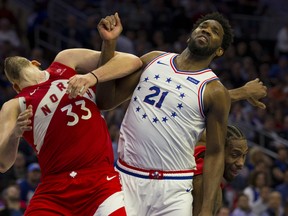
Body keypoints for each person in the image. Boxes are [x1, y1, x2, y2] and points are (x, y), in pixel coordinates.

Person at [86, 12, 267, 216]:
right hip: (125, 179)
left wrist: (206, 210)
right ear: (190, 36)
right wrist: (109, 45)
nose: (207, 29)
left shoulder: (215, 91)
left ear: (219, 51)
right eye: (203, 26)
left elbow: (215, 153)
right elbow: (105, 101)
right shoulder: (153, 60)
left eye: (215, 31)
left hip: (173, 190)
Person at [0, 13, 142, 215]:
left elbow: (132, 61)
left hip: (100, 182)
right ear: (15, 87)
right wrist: (15, 134)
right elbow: (3, 164)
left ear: (35, 62)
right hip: (54, 191)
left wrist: (92, 77)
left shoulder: (65, 61)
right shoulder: (14, 105)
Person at [192, 125, 249, 215]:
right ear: (218, 151)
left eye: (244, 156)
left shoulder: (200, 172)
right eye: (234, 155)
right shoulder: (205, 184)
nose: (241, 163)